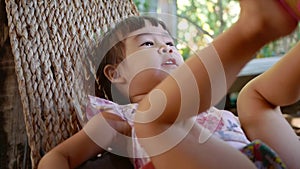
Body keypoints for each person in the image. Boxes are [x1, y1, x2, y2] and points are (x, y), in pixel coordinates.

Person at [37, 0, 299, 169]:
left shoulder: (204, 105)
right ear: (115, 73)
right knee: (152, 116)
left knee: (254, 98)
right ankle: (256, 25)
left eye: (171, 44)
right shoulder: (120, 118)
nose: (167, 48)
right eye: (148, 43)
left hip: (264, 160)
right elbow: (62, 157)